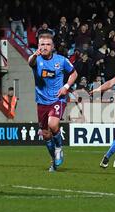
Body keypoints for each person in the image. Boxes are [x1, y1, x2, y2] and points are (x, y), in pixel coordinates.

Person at [28, 35, 78, 172]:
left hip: (58, 98)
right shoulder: (36, 60)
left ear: (53, 47)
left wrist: (66, 87)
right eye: (41, 44)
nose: (44, 47)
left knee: (53, 124)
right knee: (45, 134)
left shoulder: (61, 61)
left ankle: (59, 148)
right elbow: (29, 62)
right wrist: (34, 54)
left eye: (47, 44)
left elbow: (74, 74)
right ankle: (54, 161)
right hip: (41, 101)